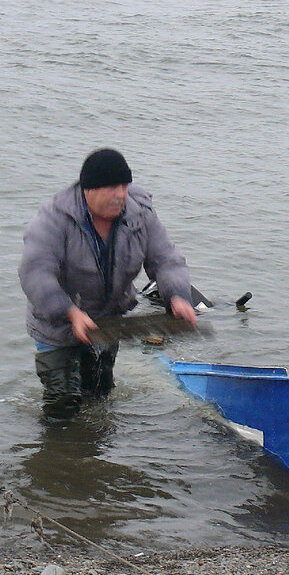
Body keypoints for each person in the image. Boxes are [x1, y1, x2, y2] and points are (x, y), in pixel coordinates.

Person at [19, 148, 196, 422]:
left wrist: (177, 296)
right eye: (112, 188)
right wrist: (70, 313)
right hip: (57, 322)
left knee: (99, 399)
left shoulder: (141, 213)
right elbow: (35, 273)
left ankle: (93, 452)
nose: (120, 195)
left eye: (124, 186)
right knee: (62, 406)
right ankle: (58, 458)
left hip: (107, 324)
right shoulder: (54, 218)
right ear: (88, 190)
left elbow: (166, 260)